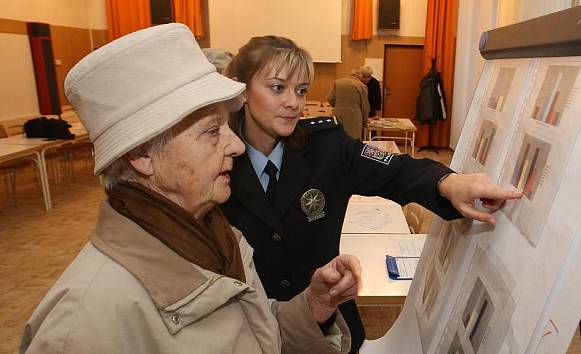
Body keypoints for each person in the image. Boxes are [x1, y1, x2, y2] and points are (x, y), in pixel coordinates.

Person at [19, 24, 361, 354]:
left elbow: (254, 334)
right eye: (213, 131)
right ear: (141, 155)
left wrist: (313, 306)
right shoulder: (81, 328)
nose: (237, 146)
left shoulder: (224, 239)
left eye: (228, 126)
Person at [220, 35, 521, 353]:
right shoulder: (214, 162)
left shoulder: (326, 147)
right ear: (241, 91)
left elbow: (398, 171)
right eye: (277, 87)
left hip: (329, 330)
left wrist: (447, 182)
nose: (294, 102)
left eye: (301, 90)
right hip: (250, 330)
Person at [327, 69, 370, 139]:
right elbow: (365, 106)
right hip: (355, 116)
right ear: (360, 77)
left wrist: (338, 106)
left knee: (338, 137)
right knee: (353, 139)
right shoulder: (362, 86)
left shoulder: (338, 82)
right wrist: (365, 122)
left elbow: (330, 98)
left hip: (339, 113)